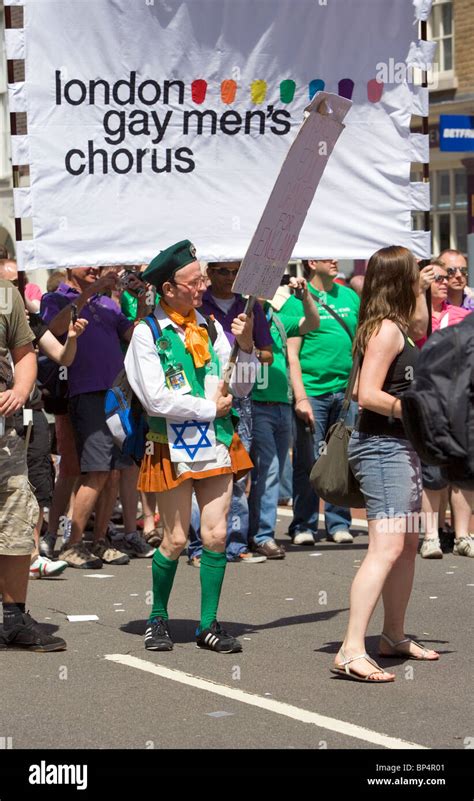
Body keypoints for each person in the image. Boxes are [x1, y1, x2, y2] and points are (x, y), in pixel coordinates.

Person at [124, 240, 258, 653]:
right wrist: (207, 407)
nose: (202, 285)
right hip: (171, 443)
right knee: (177, 538)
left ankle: (208, 624)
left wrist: (248, 346)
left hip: (215, 441)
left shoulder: (213, 327)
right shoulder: (146, 334)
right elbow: (155, 399)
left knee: (217, 534)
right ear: (168, 289)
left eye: (202, 277)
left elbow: (241, 385)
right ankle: (158, 617)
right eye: (194, 280)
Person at [332, 247, 438, 683]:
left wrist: (424, 293)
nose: (422, 277)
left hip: (395, 447)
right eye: (415, 273)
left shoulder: (395, 326)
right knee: (387, 547)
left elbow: (421, 325)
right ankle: (350, 649)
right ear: (400, 279)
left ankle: (392, 635)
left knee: (406, 545)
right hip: (382, 448)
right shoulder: (384, 332)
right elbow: (365, 393)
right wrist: (412, 411)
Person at [41, 266, 152, 568]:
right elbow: (53, 329)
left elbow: (134, 334)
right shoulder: (55, 297)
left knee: (114, 471)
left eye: (97, 264)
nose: (93, 268)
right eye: (86, 262)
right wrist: (91, 291)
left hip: (117, 395)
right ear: (68, 266)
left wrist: (142, 299)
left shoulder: (109, 304)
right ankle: (72, 544)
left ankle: (99, 541)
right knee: (97, 471)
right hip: (87, 394)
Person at [192, 260, 273, 564]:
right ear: (209, 273)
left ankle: (235, 543)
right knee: (202, 471)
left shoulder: (250, 307)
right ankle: (201, 545)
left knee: (236, 473)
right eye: (221, 271)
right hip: (207, 396)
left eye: (233, 272)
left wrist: (244, 343)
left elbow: (266, 352)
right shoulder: (199, 304)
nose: (228, 278)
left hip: (240, 398)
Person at [0, 277, 66, 651]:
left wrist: (21, 391)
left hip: (3, 435)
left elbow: (24, 353)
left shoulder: (6, 294)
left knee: (15, 517)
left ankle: (12, 619)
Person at [282, 258, 360, 546]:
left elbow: (359, 345)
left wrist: (359, 385)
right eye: (328, 256)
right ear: (312, 263)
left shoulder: (350, 296)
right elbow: (292, 355)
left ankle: (339, 522)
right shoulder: (296, 302)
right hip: (313, 393)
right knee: (309, 460)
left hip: (345, 392)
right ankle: (303, 524)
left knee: (342, 458)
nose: (336, 260)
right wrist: (300, 397)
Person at [248, 277, 320, 558]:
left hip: (281, 403)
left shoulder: (278, 318)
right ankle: (261, 534)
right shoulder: (245, 318)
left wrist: (305, 297)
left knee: (269, 470)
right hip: (256, 404)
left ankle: (257, 532)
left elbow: (312, 323)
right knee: (268, 470)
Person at [416, 261, 473, 559]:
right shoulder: (416, 317)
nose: (444, 281)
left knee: (462, 467)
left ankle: (463, 535)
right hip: (429, 402)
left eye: (446, 277)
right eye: (436, 277)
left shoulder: (463, 315)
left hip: (460, 400)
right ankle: (431, 536)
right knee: (432, 472)